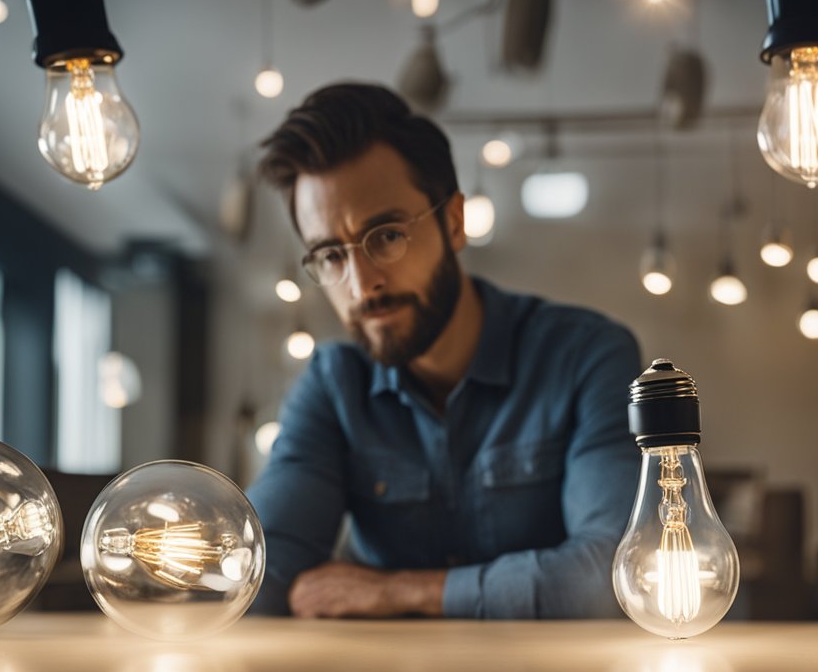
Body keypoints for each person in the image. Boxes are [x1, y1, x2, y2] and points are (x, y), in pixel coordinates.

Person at [246, 82, 642, 619]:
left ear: (453, 222)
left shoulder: (586, 356)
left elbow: (616, 578)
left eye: (385, 236)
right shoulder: (333, 386)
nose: (363, 286)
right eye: (331, 255)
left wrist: (398, 591)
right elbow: (258, 578)